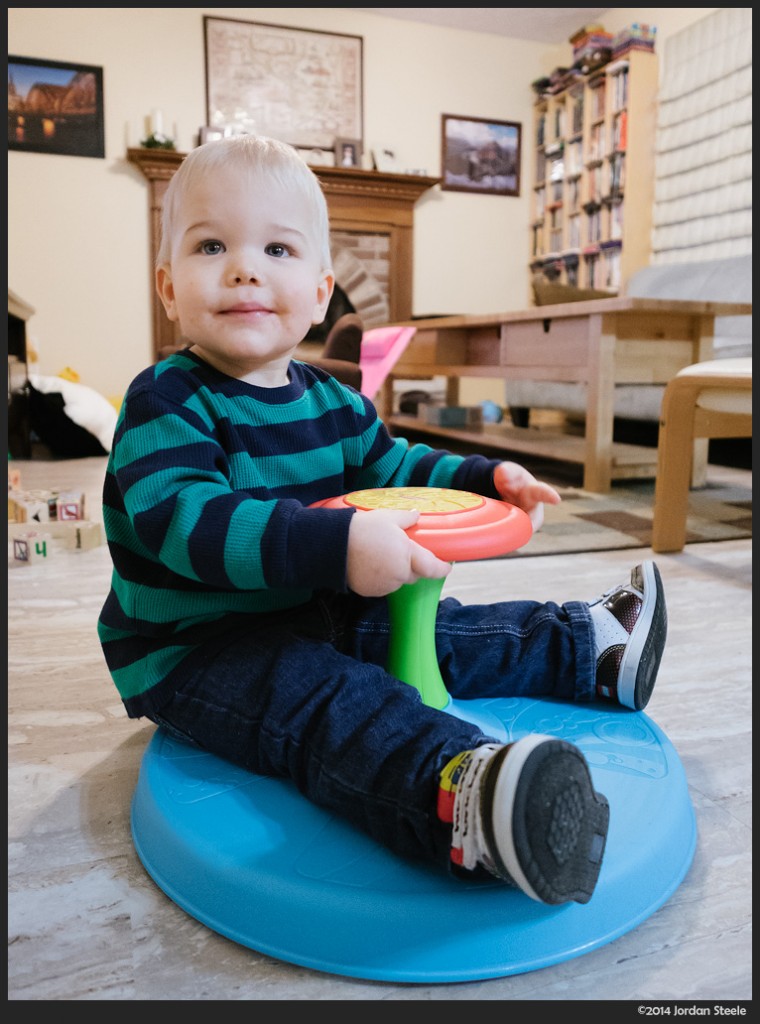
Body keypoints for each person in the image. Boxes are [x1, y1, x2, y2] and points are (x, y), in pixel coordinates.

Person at [98, 135, 667, 907]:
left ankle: (589, 646)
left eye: (276, 247)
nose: (244, 268)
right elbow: (189, 525)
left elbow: (395, 472)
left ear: (323, 287)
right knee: (327, 703)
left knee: (435, 630)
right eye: (211, 246)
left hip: (311, 610)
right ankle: (463, 801)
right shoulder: (165, 402)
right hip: (198, 647)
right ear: (169, 286)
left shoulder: (333, 402)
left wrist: (482, 477)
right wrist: (338, 548)